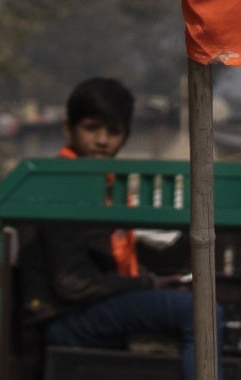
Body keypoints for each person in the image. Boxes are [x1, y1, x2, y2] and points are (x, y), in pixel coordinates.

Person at [38, 78, 197, 352]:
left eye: (113, 131)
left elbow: (109, 263)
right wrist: (147, 284)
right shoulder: (61, 184)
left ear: (125, 136)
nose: (102, 140)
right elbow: (73, 285)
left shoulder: (110, 186)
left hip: (97, 307)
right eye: (91, 129)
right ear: (68, 129)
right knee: (199, 313)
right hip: (62, 316)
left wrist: (153, 282)